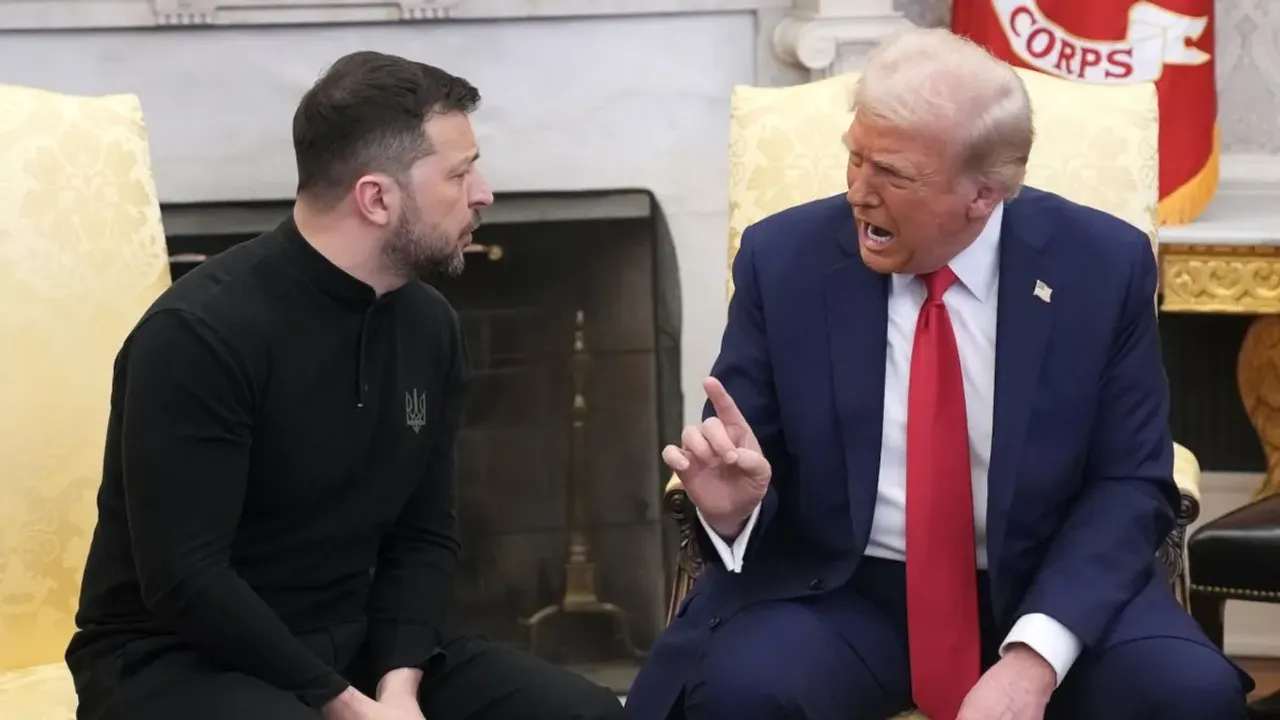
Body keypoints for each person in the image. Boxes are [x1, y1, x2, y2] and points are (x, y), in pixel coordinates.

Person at [625, 27, 1252, 720]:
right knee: (742, 691)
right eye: (855, 158)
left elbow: (1128, 482)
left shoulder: (1101, 266)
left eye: (892, 175)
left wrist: (1035, 659)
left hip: (1053, 581)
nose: (858, 192)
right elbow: (743, 459)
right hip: (843, 591)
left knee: (1190, 696)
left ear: (983, 194)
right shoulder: (785, 260)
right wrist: (733, 510)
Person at [65, 50, 624, 720]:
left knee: (584, 712)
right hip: (176, 660)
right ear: (377, 198)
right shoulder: (198, 334)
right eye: (460, 173)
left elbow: (424, 535)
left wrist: (399, 688)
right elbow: (187, 580)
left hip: (356, 647)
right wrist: (347, 708)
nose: (484, 193)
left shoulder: (430, 326)